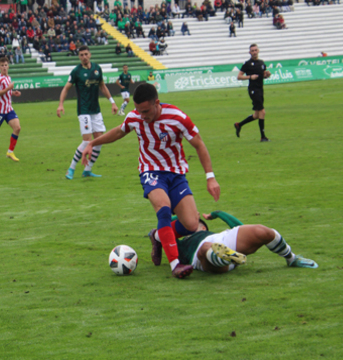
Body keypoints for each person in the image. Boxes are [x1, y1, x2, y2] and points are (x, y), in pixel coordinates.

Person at [81, 83, 220, 279]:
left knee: (190, 224)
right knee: (163, 209)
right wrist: (92, 143)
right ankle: (175, 265)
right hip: (150, 172)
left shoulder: (177, 118)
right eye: (138, 110)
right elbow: (119, 131)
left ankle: (157, 236)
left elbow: (199, 145)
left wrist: (210, 177)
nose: (142, 115)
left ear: (157, 102)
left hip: (176, 174)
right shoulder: (135, 117)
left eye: (146, 111)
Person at [148, 210, 318, 273]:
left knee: (261, 231)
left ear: (205, 228)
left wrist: (217, 213)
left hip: (223, 239)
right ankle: (225, 258)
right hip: (199, 256)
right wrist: (183, 216)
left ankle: (291, 258)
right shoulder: (182, 243)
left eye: (199, 225)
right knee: (206, 248)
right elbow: (164, 233)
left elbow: (238, 226)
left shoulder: (214, 233)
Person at [56, 45, 118, 180]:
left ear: (89, 54)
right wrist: (61, 104)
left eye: (86, 54)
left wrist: (112, 102)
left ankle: (87, 170)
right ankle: (71, 169)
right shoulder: (76, 72)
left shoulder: (97, 69)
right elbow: (66, 88)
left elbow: (102, 86)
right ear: (79, 57)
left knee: (99, 140)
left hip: (96, 110)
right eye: (81, 55)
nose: (84, 57)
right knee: (87, 141)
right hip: (83, 110)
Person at [234, 44, 272, 142]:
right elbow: (239, 76)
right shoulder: (247, 64)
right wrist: (250, 77)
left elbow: (263, 75)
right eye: (252, 51)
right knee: (262, 112)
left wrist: (267, 75)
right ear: (249, 52)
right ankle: (263, 137)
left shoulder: (262, 63)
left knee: (256, 115)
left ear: (258, 51)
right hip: (253, 90)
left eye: (255, 50)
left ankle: (239, 125)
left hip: (260, 89)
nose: (254, 52)